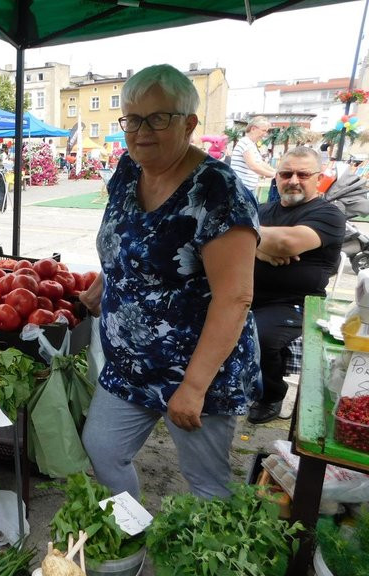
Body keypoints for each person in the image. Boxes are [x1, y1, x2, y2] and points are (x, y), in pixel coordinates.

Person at [78, 64, 261, 500]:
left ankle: (204, 563)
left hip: (199, 372)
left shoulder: (217, 192)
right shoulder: (128, 169)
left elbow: (235, 297)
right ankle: (128, 537)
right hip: (130, 365)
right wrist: (109, 280)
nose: (142, 131)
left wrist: (193, 388)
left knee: (205, 484)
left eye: (158, 118)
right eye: (133, 119)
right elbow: (130, 240)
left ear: (190, 123)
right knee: (102, 450)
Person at [247, 146, 346, 424]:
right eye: (286, 173)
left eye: (303, 174)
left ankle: (271, 395)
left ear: (319, 177)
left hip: (294, 302)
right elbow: (225, 239)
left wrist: (251, 238)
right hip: (246, 293)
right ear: (275, 177)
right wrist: (258, 248)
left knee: (259, 335)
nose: (293, 180)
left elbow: (287, 243)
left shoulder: (328, 214)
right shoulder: (262, 208)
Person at [230, 117, 275, 196]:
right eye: (264, 130)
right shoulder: (246, 143)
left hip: (246, 189)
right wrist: (274, 175)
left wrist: (275, 172)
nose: (265, 134)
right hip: (242, 190)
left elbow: (260, 163)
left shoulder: (251, 144)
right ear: (253, 129)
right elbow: (253, 166)